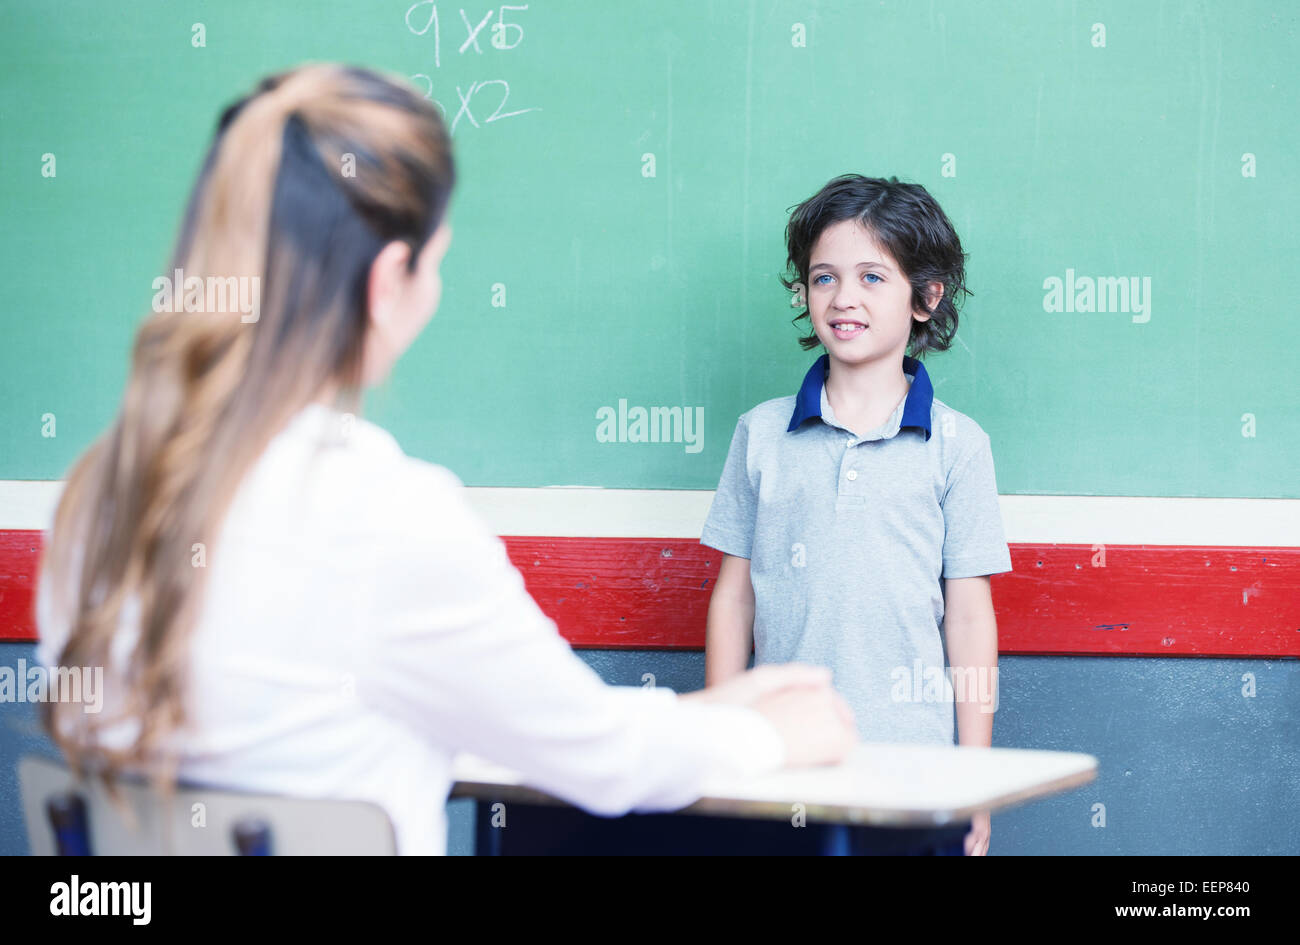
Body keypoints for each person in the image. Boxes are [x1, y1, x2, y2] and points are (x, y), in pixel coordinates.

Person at [35, 64, 856, 856]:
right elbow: (595, 755)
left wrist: (715, 712)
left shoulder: (100, 493)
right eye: (435, 262)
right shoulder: (382, 510)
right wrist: (759, 729)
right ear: (390, 278)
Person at [700, 174, 1014, 856]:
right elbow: (734, 597)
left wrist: (976, 772)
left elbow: (968, 615)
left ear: (926, 297)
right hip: (782, 762)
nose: (843, 298)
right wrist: (722, 740)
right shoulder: (761, 434)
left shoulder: (959, 446)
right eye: (823, 278)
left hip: (915, 772)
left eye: (872, 277)